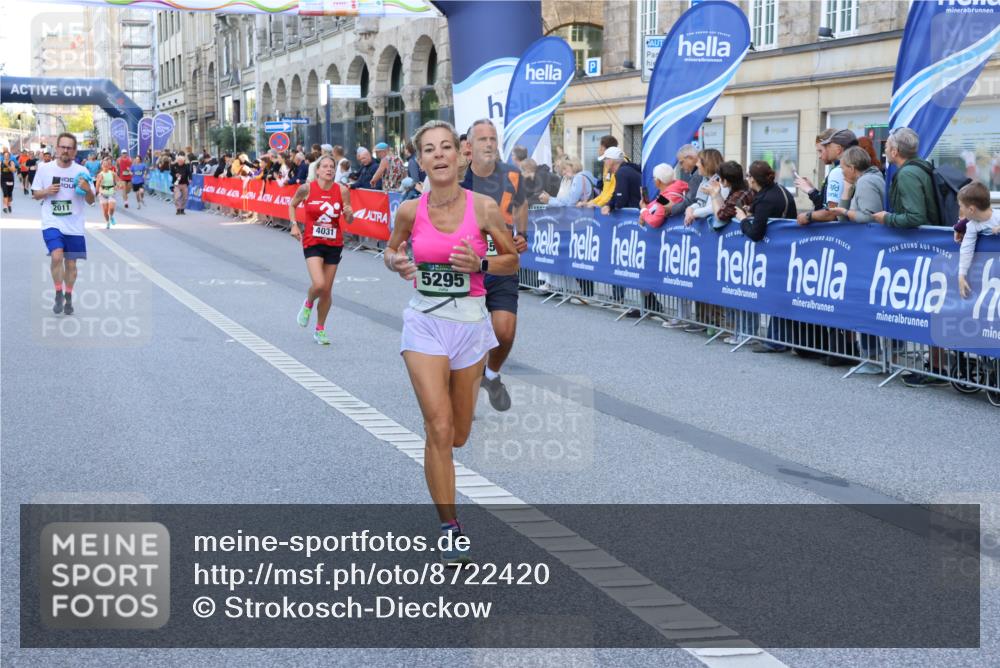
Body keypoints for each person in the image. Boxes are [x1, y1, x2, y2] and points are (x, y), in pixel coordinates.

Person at [384, 119, 518, 564]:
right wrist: (397, 263)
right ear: (420, 160)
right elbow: (391, 249)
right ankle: (450, 526)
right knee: (438, 428)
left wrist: (480, 260)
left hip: (469, 326)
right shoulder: (409, 210)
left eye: (446, 147)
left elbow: (511, 260)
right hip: (425, 323)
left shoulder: (483, 208)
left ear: (461, 157)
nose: (439, 155)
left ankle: (447, 493)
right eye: (429, 149)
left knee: (458, 434)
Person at [460, 118, 529, 411]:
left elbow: (522, 204)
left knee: (505, 331)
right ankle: (464, 393)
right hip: (465, 265)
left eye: (492, 138)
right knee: (468, 335)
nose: (489, 144)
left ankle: (491, 374)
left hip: (500, 262)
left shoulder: (512, 174)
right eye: (482, 139)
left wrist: (521, 234)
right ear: (469, 146)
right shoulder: (457, 177)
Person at [730, 161, 797, 351]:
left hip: (776, 253)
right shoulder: (779, 190)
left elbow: (756, 233)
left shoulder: (766, 199)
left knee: (778, 296)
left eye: (749, 176)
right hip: (786, 249)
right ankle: (778, 340)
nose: (747, 180)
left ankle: (776, 342)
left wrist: (743, 220)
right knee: (781, 295)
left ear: (753, 179)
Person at [288, 155, 354, 345]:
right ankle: (308, 303)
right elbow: (292, 204)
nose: (329, 169)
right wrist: (294, 225)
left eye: (332, 166)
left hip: (334, 243)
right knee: (319, 284)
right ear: (317, 170)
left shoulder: (342, 191)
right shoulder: (307, 188)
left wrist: (349, 215)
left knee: (327, 291)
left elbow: (349, 219)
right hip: (312, 241)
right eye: (324, 166)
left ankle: (320, 329)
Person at [31, 133, 95, 316]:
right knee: (57, 256)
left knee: (72, 265)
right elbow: (35, 194)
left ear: (74, 151)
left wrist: (87, 190)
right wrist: (46, 191)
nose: (66, 150)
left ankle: (68, 296)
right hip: (52, 221)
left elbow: (91, 201)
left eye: (69, 148)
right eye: (63, 147)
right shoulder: (44, 169)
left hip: (74, 225)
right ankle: (58, 291)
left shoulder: (82, 173)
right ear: (57, 148)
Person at [872, 127, 941, 228]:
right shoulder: (920, 167)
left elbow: (915, 217)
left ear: (894, 151)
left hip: (917, 240)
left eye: (886, 147)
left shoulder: (907, 174)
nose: (885, 151)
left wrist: (887, 218)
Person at [795, 129, 857, 226]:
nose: (819, 156)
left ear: (838, 148)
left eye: (821, 150)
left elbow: (831, 213)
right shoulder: (846, 168)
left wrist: (807, 216)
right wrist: (811, 190)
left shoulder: (838, 171)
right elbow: (826, 205)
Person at [955, 181, 1000, 299]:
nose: (960, 209)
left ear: (971, 209)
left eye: (961, 206)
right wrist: (961, 274)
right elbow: (966, 249)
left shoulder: (998, 216)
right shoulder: (972, 225)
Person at [829, 146, 885, 223]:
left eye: (842, 168)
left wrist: (845, 212)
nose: (842, 172)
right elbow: (842, 220)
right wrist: (846, 190)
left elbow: (870, 218)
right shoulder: (867, 179)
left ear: (852, 168)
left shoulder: (866, 181)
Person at [639, 163, 689, 228]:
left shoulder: (666, 198)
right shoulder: (675, 190)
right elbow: (655, 205)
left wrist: (643, 210)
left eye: (653, 178)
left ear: (658, 181)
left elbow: (655, 221)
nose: (653, 180)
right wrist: (644, 212)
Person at [584, 135, 620, 208]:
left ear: (603, 149)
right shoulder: (607, 164)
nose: (598, 150)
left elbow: (611, 192)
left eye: (599, 147)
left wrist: (596, 205)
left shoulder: (614, 164)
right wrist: (591, 203)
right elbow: (605, 192)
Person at [96, 157, 118, 229]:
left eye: (107, 165)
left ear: (109, 166)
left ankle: (111, 216)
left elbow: (118, 181)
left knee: (111, 208)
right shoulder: (100, 175)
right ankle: (108, 222)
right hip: (103, 193)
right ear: (102, 166)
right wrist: (96, 192)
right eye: (104, 165)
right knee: (105, 211)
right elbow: (97, 184)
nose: (105, 166)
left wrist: (117, 186)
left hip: (111, 192)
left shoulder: (112, 173)